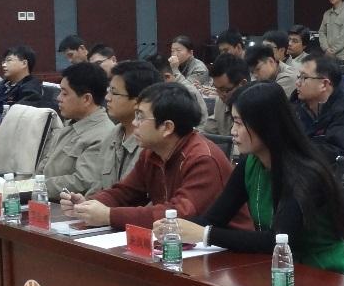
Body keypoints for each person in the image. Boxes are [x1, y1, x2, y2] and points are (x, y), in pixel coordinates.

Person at [170, 82, 344, 271]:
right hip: (276, 266)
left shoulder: (305, 173)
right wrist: (171, 228)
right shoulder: (251, 163)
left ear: (265, 125)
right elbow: (214, 219)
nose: (233, 131)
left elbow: (278, 240)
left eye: (239, 123)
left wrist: (205, 235)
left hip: (321, 270)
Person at [61, 83, 237, 230]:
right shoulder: (152, 152)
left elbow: (179, 214)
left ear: (167, 127)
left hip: (223, 250)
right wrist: (88, 204)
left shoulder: (203, 159)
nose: (134, 123)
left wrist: (109, 215)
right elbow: (125, 193)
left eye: (140, 117)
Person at [37, 61, 115, 198]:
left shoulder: (103, 135)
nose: (58, 98)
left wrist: (36, 187)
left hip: (66, 204)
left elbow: (82, 182)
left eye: (65, 93)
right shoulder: (71, 123)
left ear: (86, 99)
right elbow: (45, 166)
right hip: (44, 197)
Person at [100, 59, 161, 188]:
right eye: (108, 90)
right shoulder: (112, 135)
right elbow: (98, 185)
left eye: (114, 92)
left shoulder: (153, 144)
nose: (107, 97)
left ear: (138, 101)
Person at [293, 55, 344, 161]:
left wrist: (293, 151)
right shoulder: (296, 104)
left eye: (304, 78)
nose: (297, 83)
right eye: (298, 77)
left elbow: (337, 154)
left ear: (324, 84)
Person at [0, 45, 47, 122]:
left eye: (9, 60)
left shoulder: (31, 89)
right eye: (3, 62)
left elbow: (18, 116)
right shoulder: (0, 85)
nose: (3, 65)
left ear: (24, 63)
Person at [205, 54, 250, 140]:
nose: (220, 95)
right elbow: (211, 129)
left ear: (243, 84)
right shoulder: (221, 101)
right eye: (216, 89)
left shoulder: (255, 109)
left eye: (225, 90)